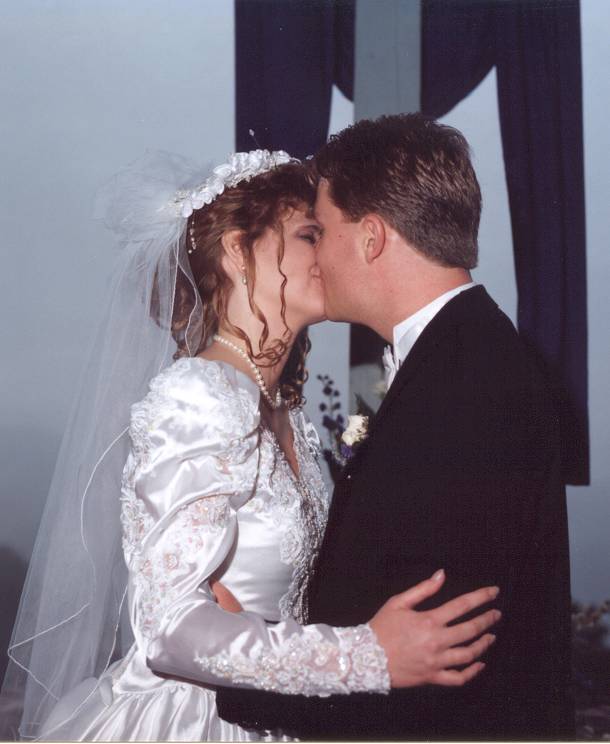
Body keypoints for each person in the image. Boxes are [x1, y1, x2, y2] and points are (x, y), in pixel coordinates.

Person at [1, 149, 500, 742]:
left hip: (278, 714)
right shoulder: (198, 395)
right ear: (239, 251)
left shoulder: (283, 408)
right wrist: (366, 655)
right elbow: (167, 629)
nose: (328, 253)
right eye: (309, 235)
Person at [216, 115, 574, 740]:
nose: (315, 254)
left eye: (320, 230)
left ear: (371, 238)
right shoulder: (462, 356)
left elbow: (429, 661)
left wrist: (227, 660)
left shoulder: (468, 386)